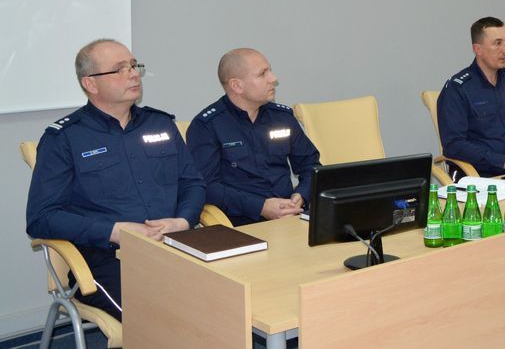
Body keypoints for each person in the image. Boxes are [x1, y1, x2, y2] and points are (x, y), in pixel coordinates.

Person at [26, 39, 205, 320]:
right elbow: (41, 217)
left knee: (235, 297)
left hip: (176, 242)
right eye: (120, 69)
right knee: (165, 318)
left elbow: (193, 183)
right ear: (91, 83)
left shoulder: (160, 124)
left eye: (134, 66)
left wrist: (182, 221)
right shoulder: (64, 138)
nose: (133, 74)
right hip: (107, 256)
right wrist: (114, 231)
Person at [186, 48, 320, 226]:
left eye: (270, 71)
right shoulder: (207, 126)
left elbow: (311, 165)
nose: (273, 79)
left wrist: (301, 195)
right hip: (241, 223)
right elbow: (206, 186)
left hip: (291, 215)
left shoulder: (282, 117)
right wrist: (260, 207)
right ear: (237, 85)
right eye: (262, 74)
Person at [436, 17, 505, 178]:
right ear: (478, 49)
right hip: (478, 177)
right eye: (498, 43)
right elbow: (454, 145)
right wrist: (503, 161)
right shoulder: (458, 88)